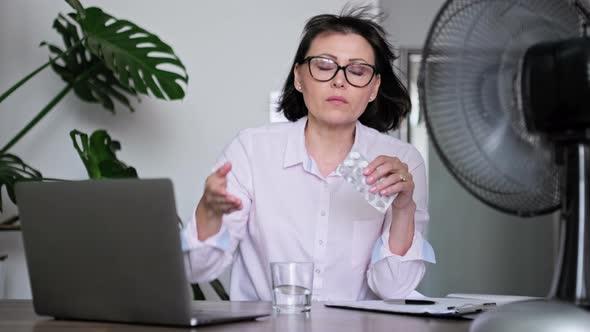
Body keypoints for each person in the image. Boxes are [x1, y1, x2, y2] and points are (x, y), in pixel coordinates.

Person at [181, 6, 435, 301]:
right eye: (325, 66)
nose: (339, 81)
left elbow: (394, 289)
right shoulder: (251, 150)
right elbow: (197, 270)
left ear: (374, 88)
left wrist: (404, 208)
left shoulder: (401, 163)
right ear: (299, 77)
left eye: (357, 70)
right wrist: (209, 213)